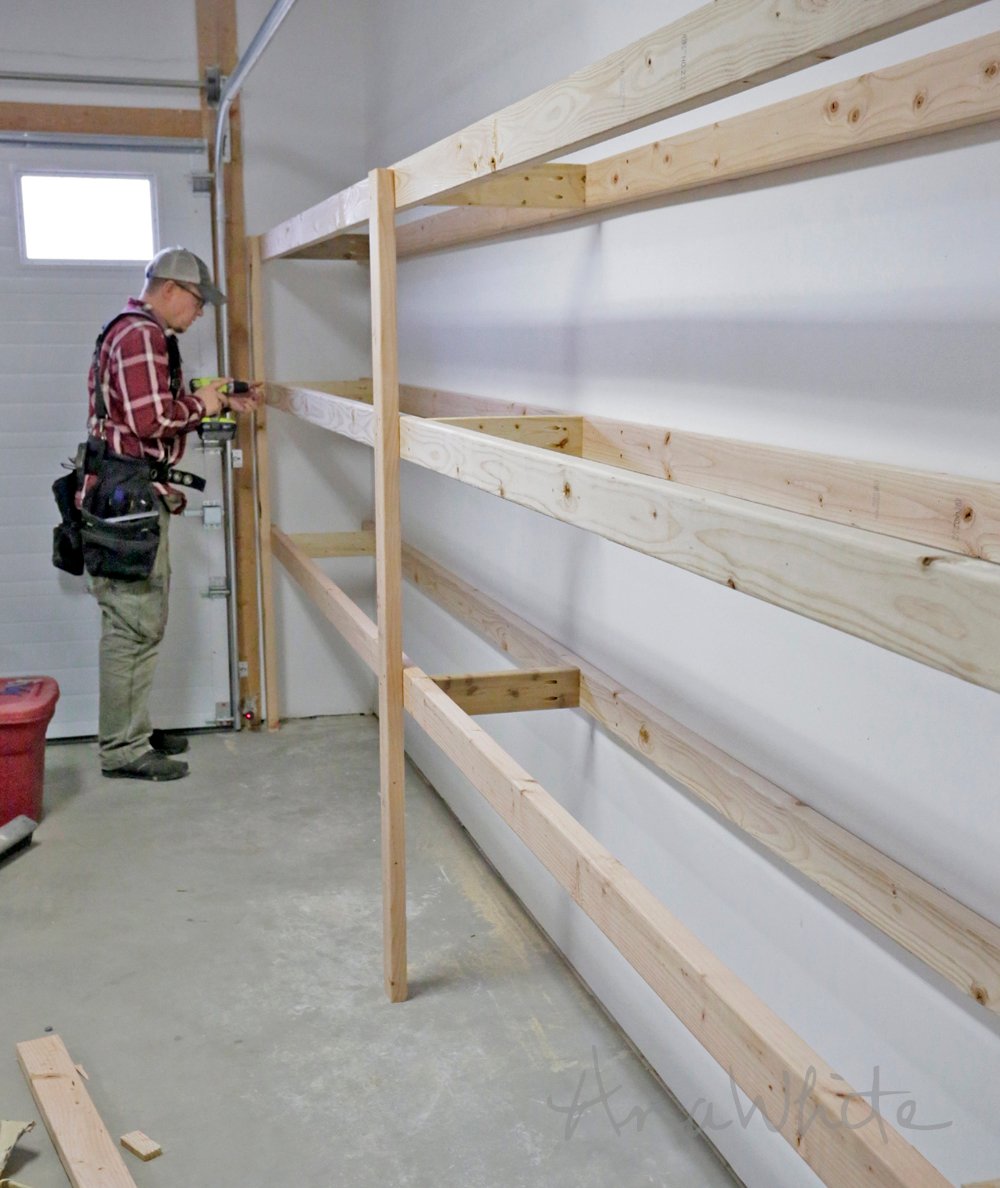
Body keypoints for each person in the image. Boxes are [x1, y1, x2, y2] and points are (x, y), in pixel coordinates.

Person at [84, 246, 260, 782]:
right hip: (127, 498)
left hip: (129, 494)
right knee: (132, 623)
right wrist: (203, 406)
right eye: (198, 300)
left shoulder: (139, 332)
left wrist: (217, 396)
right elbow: (149, 418)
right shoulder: (141, 335)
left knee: (139, 619)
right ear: (169, 290)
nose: (201, 311)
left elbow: (153, 407)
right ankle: (122, 748)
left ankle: (132, 727)